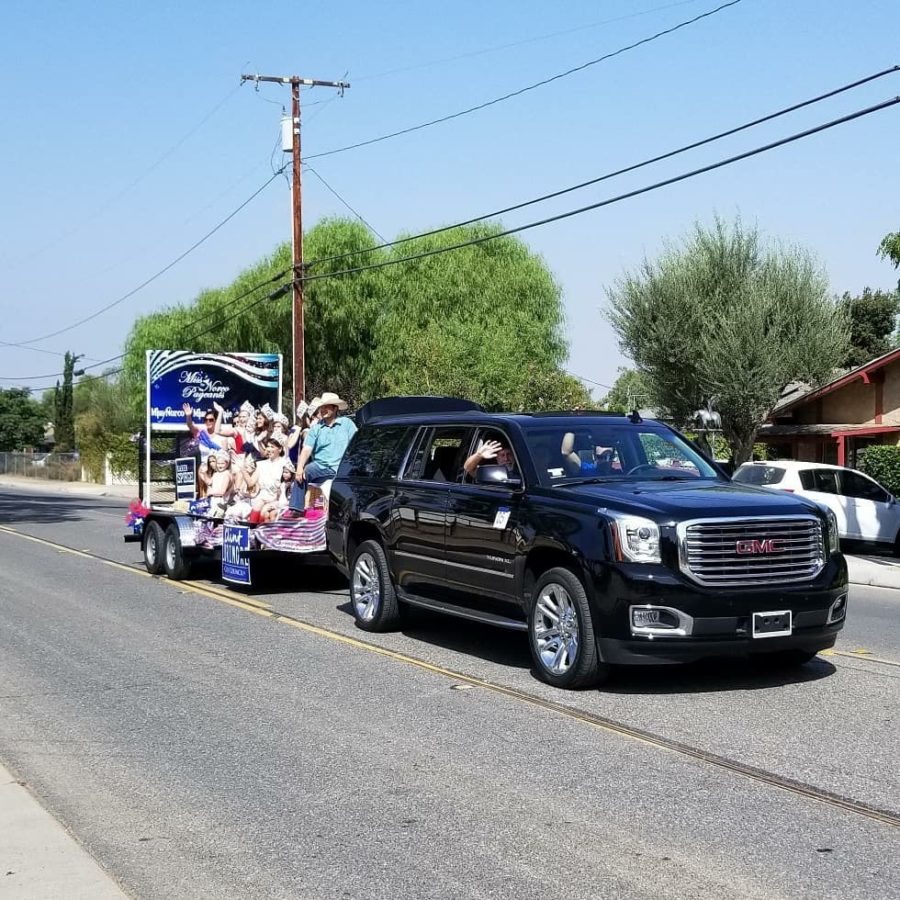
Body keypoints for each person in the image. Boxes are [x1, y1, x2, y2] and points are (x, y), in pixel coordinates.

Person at [288, 392, 356, 513]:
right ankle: (296, 509)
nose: (323, 409)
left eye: (327, 406)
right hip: (321, 466)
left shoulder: (347, 423)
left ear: (335, 408)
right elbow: (306, 449)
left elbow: (356, 443)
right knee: (305, 471)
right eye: (322, 407)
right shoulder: (316, 428)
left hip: (342, 468)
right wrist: (299, 467)